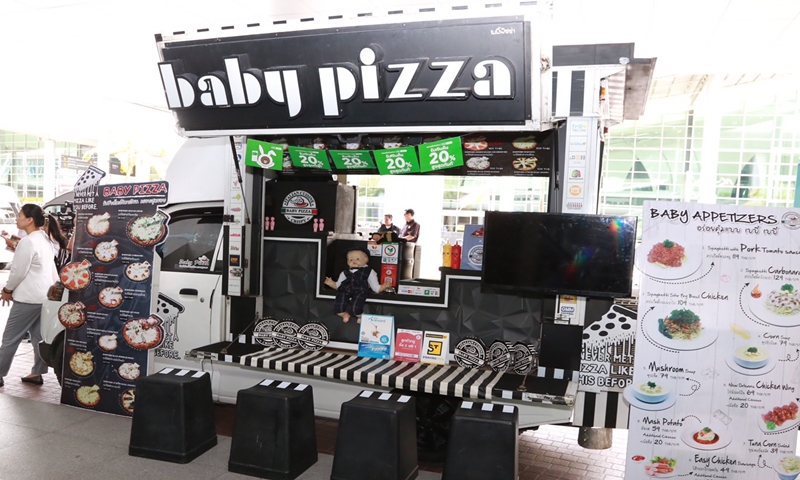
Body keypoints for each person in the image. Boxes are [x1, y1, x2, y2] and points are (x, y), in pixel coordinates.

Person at [0, 204, 67, 386]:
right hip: (43, 297)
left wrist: (7, 290)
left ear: (29, 220)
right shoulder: (44, 238)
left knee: (10, 339)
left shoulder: (28, 242)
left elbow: (18, 272)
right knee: (38, 338)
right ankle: (37, 372)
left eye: (20, 215)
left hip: (27, 299)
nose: (17, 218)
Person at [324, 247, 391, 324]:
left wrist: (383, 287)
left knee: (355, 308)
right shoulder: (344, 272)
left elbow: (375, 287)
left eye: (357, 259)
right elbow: (338, 285)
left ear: (366, 259)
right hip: (345, 291)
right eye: (350, 260)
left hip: (360, 291)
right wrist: (331, 283)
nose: (354, 261)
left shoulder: (369, 272)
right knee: (337, 308)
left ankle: (361, 316)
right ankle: (344, 315)